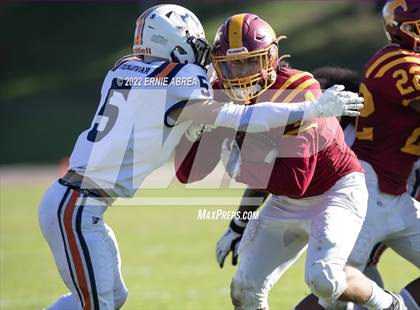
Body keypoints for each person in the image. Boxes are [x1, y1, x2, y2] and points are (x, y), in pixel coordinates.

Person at [38, 5, 364, 310]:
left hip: (78, 203)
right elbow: (241, 117)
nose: (202, 53)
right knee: (96, 305)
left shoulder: (124, 67)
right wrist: (310, 109)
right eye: (195, 44)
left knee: (113, 297)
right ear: (178, 45)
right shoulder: (180, 81)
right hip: (78, 207)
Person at [174, 13, 395, 310]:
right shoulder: (221, 93)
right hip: (285, 200)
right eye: (233, 63)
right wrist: (194, 130)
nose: (242, 72)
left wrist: (239, 167)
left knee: (324, 279)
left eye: (251, 60)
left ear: (271, 57)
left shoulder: (299, 89)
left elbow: (296, 181)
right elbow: (188, 173)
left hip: (334, 192)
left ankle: (389, 304)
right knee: (244, 289)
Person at [295, 1, 420, 309]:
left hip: (397, 196)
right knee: (332, 288)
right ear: (398, 30)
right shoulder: (395, 60)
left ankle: (398, 305)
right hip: (367, 192)